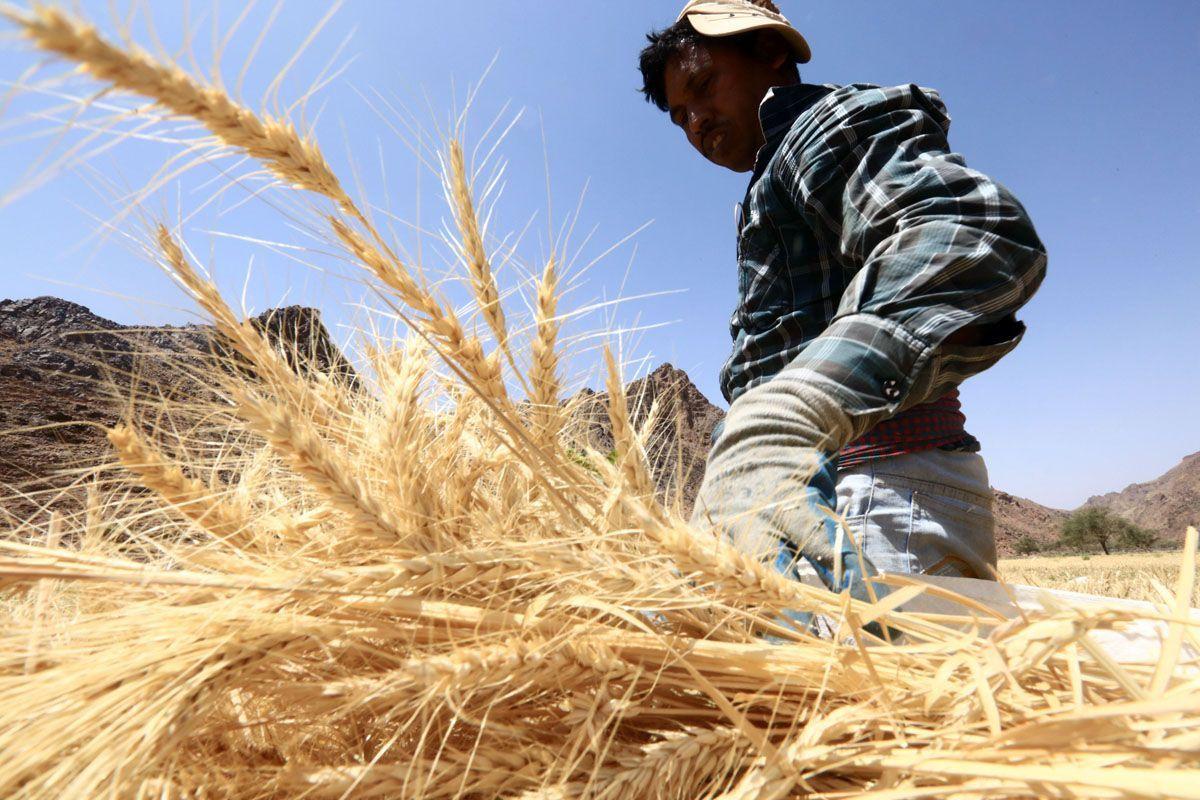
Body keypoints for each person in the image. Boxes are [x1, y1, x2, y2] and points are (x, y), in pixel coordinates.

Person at [637, 0, 1047, 600]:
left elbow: (969, 234)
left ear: (771, 52)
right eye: (679, 116)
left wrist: (789, 417)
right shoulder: (772, 179)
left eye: (704, 85)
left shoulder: (822, 126)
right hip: (832, 491)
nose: (696, 120)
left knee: (877, 694)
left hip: (878, 490)